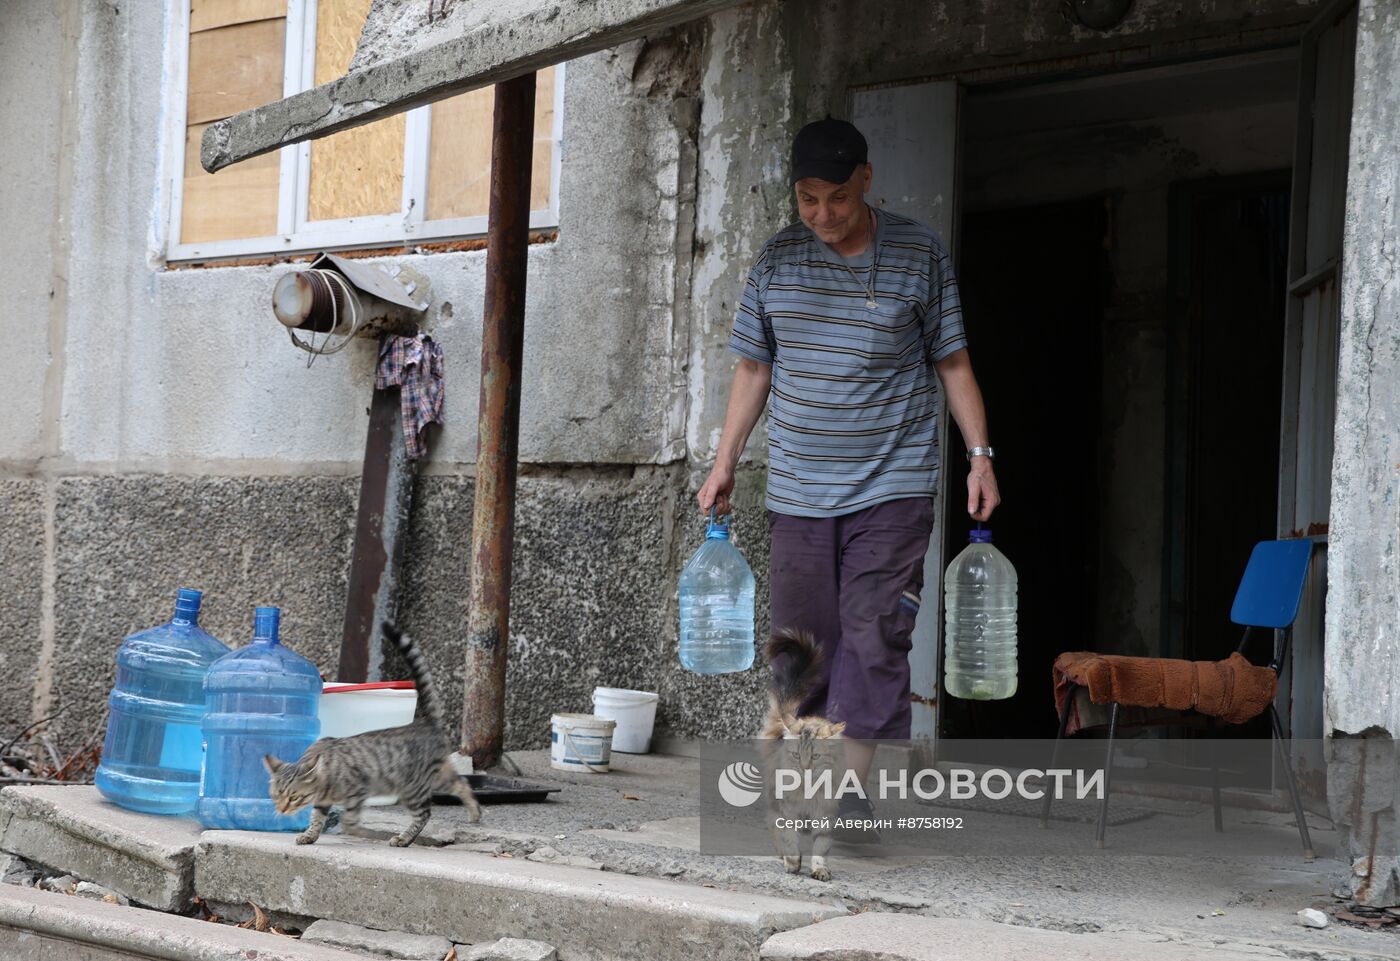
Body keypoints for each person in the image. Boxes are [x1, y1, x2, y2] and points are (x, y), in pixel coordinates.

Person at [697, 117, 1000, 835]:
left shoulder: (919, 255)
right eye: (808, 199)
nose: (823, 214)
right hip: (801, 488)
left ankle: (847, 792)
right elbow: (753, 368)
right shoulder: (776, 261)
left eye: (836, 196)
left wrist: (981, 454)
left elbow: (952, 362)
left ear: (866, 179)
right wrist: (724, 463)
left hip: (892, 484)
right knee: (803, 644)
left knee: (875, 634)